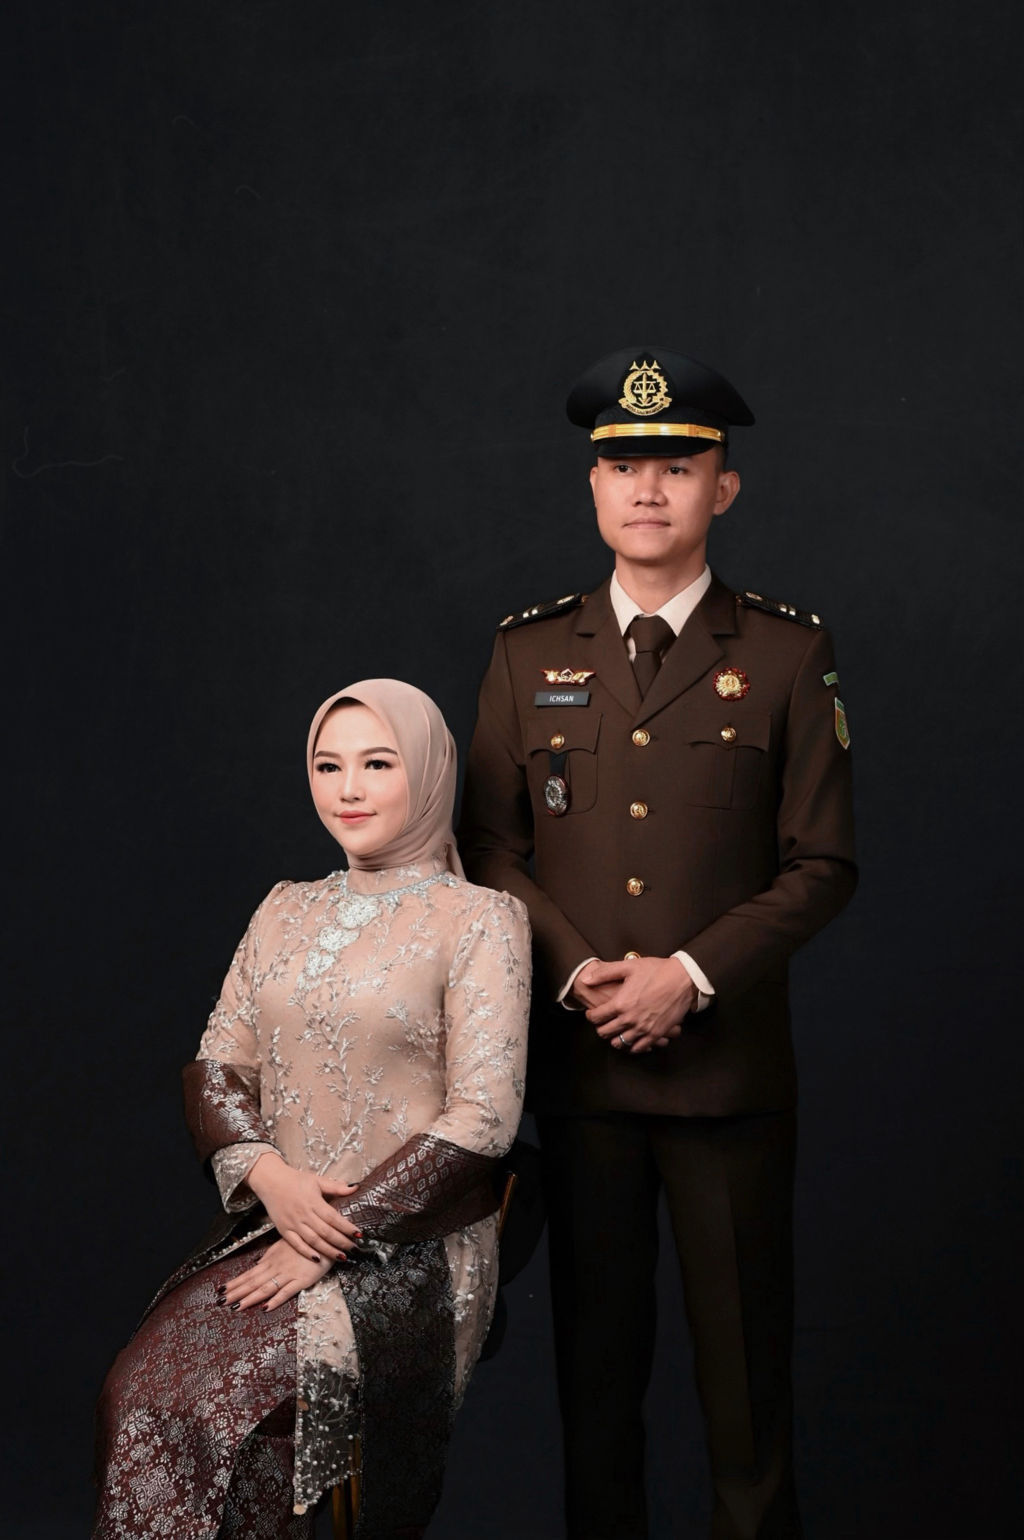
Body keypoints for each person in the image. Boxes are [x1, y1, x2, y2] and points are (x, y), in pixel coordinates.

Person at [458, 347, 857, 1539]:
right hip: (584, 1077)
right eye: (623, 465)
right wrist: (579, 972)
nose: (647, 487)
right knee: (594, 1398)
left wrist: (690, 975)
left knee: (746, 1401)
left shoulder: (785, 653)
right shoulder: (527, 652)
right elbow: (487, 844)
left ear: (722, 488)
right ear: (592, 486)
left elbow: (823, 863)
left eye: (677, 466)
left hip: (728, 1083)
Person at [93, 679, 530, 1540]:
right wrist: (271, 1181)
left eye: (378, 764)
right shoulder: (284, 907)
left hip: (413, 1239)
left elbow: (485, 1116)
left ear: (429, 774)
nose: (348, 790)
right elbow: (217, 1067)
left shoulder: (482, 919)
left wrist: (336, 1229)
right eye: (328, 767)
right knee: (138, 1392)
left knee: (232, 1410)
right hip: (275, 1219)